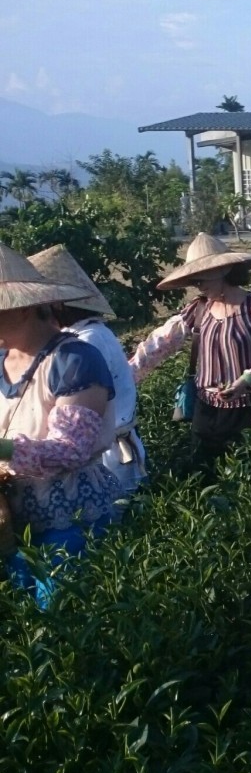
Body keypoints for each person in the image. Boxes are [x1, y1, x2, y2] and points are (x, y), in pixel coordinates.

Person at [0, 243, 122, 606]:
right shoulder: (2, 360)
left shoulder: (73, 359)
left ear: (23, 307)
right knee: (26, 622)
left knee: (64, 616)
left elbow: (71, 449)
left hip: (70, 521)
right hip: (13, 522)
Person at [129, 233, 251, 464]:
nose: (197, 286)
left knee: (248, 471)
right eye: (194, 281)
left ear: (222, 271)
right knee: (203, 470)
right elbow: (160, 343)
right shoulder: (198, 309)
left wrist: (247, 380)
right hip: (205, 409)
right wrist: (126, 376)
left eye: (200, 279)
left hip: (250, 409)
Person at [28, 245, 146, 497]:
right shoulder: (82, 335)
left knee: (116, 513)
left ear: (57, 305)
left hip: (108, 455)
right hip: (104, 450)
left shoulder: (87, 342)